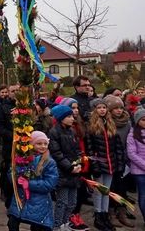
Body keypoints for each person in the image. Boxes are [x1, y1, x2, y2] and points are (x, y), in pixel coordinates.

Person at [86, 98, 125, 230]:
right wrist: (94, 165)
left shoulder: (110, 124)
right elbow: (90, 148)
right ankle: (98, 215)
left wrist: (119, 164)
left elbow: (117, 146)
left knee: (107, 191)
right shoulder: (91, 127)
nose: (102, 110)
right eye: (99, 108)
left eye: (104, 107)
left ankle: (105, 214)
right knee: (99, 191)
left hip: (110, 163)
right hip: (99, 163)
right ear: (95, 110)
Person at [8, 131, 58, 231]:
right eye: (39, 143)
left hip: (39, 203)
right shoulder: (22, 157)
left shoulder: (49, 162)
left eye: (45, 144)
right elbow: (11, 172)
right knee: (12, 223)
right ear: (31, 144)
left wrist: (29, 184)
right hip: (20, 199)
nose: (43, 146)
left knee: (37, 226)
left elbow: (49, 183)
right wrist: (16, 179)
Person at [48, 105, 83, 231]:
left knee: (72, 202)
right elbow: (57, 154)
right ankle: (57, 225)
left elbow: (78, 150)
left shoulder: (72, 131)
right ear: (61, 118)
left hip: (74, 172)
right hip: (62, 173)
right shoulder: (54, 132)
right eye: (68, 116)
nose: (72, 118)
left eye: (72, 116)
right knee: (62, 202)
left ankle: (66, 222)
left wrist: (79, 163)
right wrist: (70, 167)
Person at [59, 97, 90, 231]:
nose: (76, 111)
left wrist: (83, 160)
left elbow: (83, 143)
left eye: (77, 108)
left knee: (80, 192)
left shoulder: (79, 124)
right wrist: (71, 164)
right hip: (68, 165)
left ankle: (76, 214)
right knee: (66, 197)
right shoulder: (61, 129)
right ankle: (65, 220)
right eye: (72, 108)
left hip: (81, 161)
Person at [104, 95, 134, 227]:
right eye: (115, 108)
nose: (119, 111)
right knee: (111, 188)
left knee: (122, 188)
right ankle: (110, 213)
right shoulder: (106, 122)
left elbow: (130, 141)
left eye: (121, 108)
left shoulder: (127, 122)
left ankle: (121, 212)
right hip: (110, 159)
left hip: (124, 159)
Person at [0, 84, 19, 207]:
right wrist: (12, 135)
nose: (15, 92)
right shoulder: (2, 107)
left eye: (17, 90)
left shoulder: (24, 105)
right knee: (7, 170)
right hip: (9, 145)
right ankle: (7, 195)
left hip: (24, 145)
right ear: (8, 93)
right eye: (13, 90)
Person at [127, 108, 145, 223]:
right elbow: (131, 154)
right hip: (139, 172)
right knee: (143, 196)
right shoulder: (132, 134)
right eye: (143, 119)